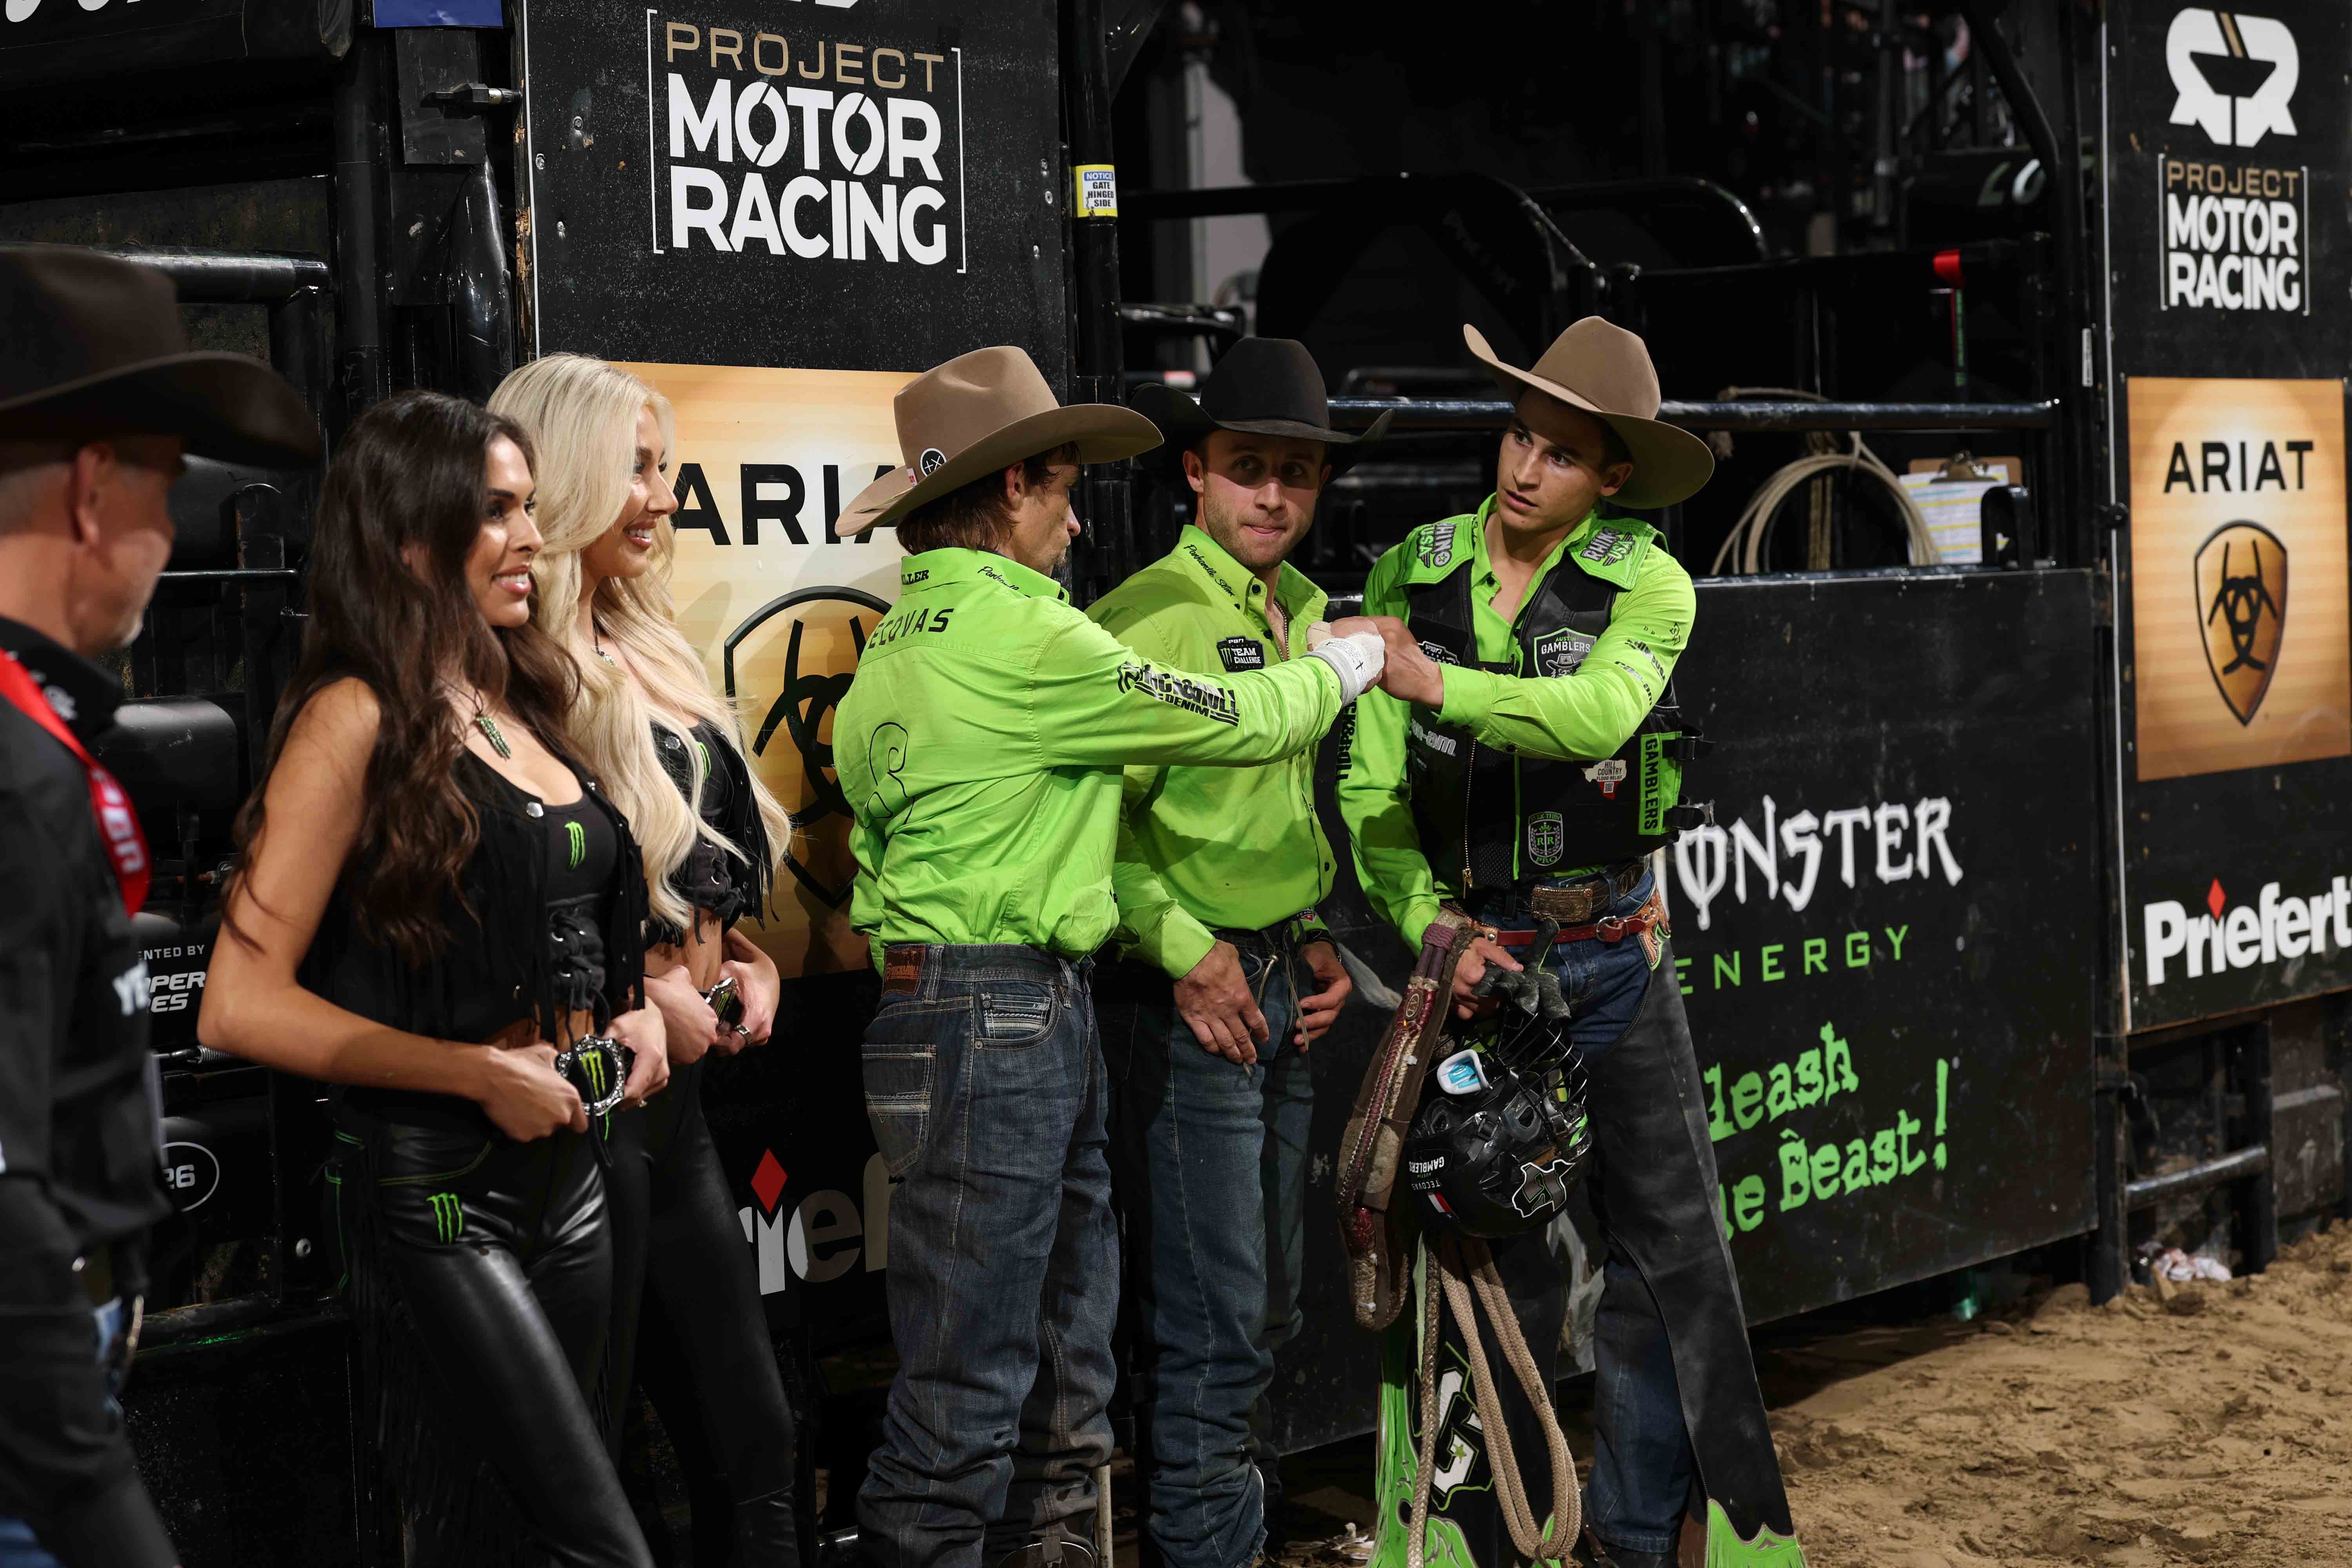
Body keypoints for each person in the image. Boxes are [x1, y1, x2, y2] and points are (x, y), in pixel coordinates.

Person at [829, 345, 1398, 1568]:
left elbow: (875, 833)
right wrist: (1354, 659)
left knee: (1042, 1370)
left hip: (964, 1002)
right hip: (1003, 1011)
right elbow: (1245, 721)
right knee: (985, 1393)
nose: (1079, 521)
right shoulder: (1030, 632)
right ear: (1015, 485)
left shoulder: (896, 639)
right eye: (1064, 490)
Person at [1337, 319, 1807, 1567]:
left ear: (1613, 477)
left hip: (1615, 954)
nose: (1525, 468)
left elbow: (1601, 713)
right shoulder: (1412, 570)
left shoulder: (1652, 584)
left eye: (1561, 453)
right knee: (1483, 1258)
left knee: (1672, 1252)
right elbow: (1371, 792)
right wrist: (1426, 925)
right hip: (1480, 963)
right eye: (1518, 437)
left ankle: (1641, 1540)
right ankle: (1484, 1538)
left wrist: (1436, 685)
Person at [199, 390, 666, 1568]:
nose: (532, 538)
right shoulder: (352, 716)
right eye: (495, 512)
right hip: (445, 1194)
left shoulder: (523, 696)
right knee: (599, 1548)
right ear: (410, 540)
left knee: (508, 1541)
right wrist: (472, 1073)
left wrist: (634, 1014)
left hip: (580, 1171)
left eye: (529, 508)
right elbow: (239, 1003)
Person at [0, 245, 317, 1568]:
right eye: (163, 484)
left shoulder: (35, 741)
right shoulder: (15, 775)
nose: (172, 526)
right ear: (92, 492)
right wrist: (98, 1506)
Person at [491, 352, 802, 1566]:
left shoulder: (654, 643)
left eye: (666, 468)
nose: (666, 498)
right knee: (604, 1475)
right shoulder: (516, 674)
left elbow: (697, 873)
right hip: (587, 1110)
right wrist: (643, 995)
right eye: (637, 469)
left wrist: (747, 964)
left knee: (756, 1450)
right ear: (566, 477)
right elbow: (519, 902)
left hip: (683, 1110)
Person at [1084, 338, 1389, 1568]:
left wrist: (1309, 934)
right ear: (1196, 473)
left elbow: (1269, 813)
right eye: (1249, 467)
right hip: (1187, 999)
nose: (1273, 494)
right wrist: (1184, 950)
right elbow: (1079, 828)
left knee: (1259, 1314)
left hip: (1269, 982)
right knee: (1217, 1329)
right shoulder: (1149, 616)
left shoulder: (1307, 613)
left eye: (1296, 472)